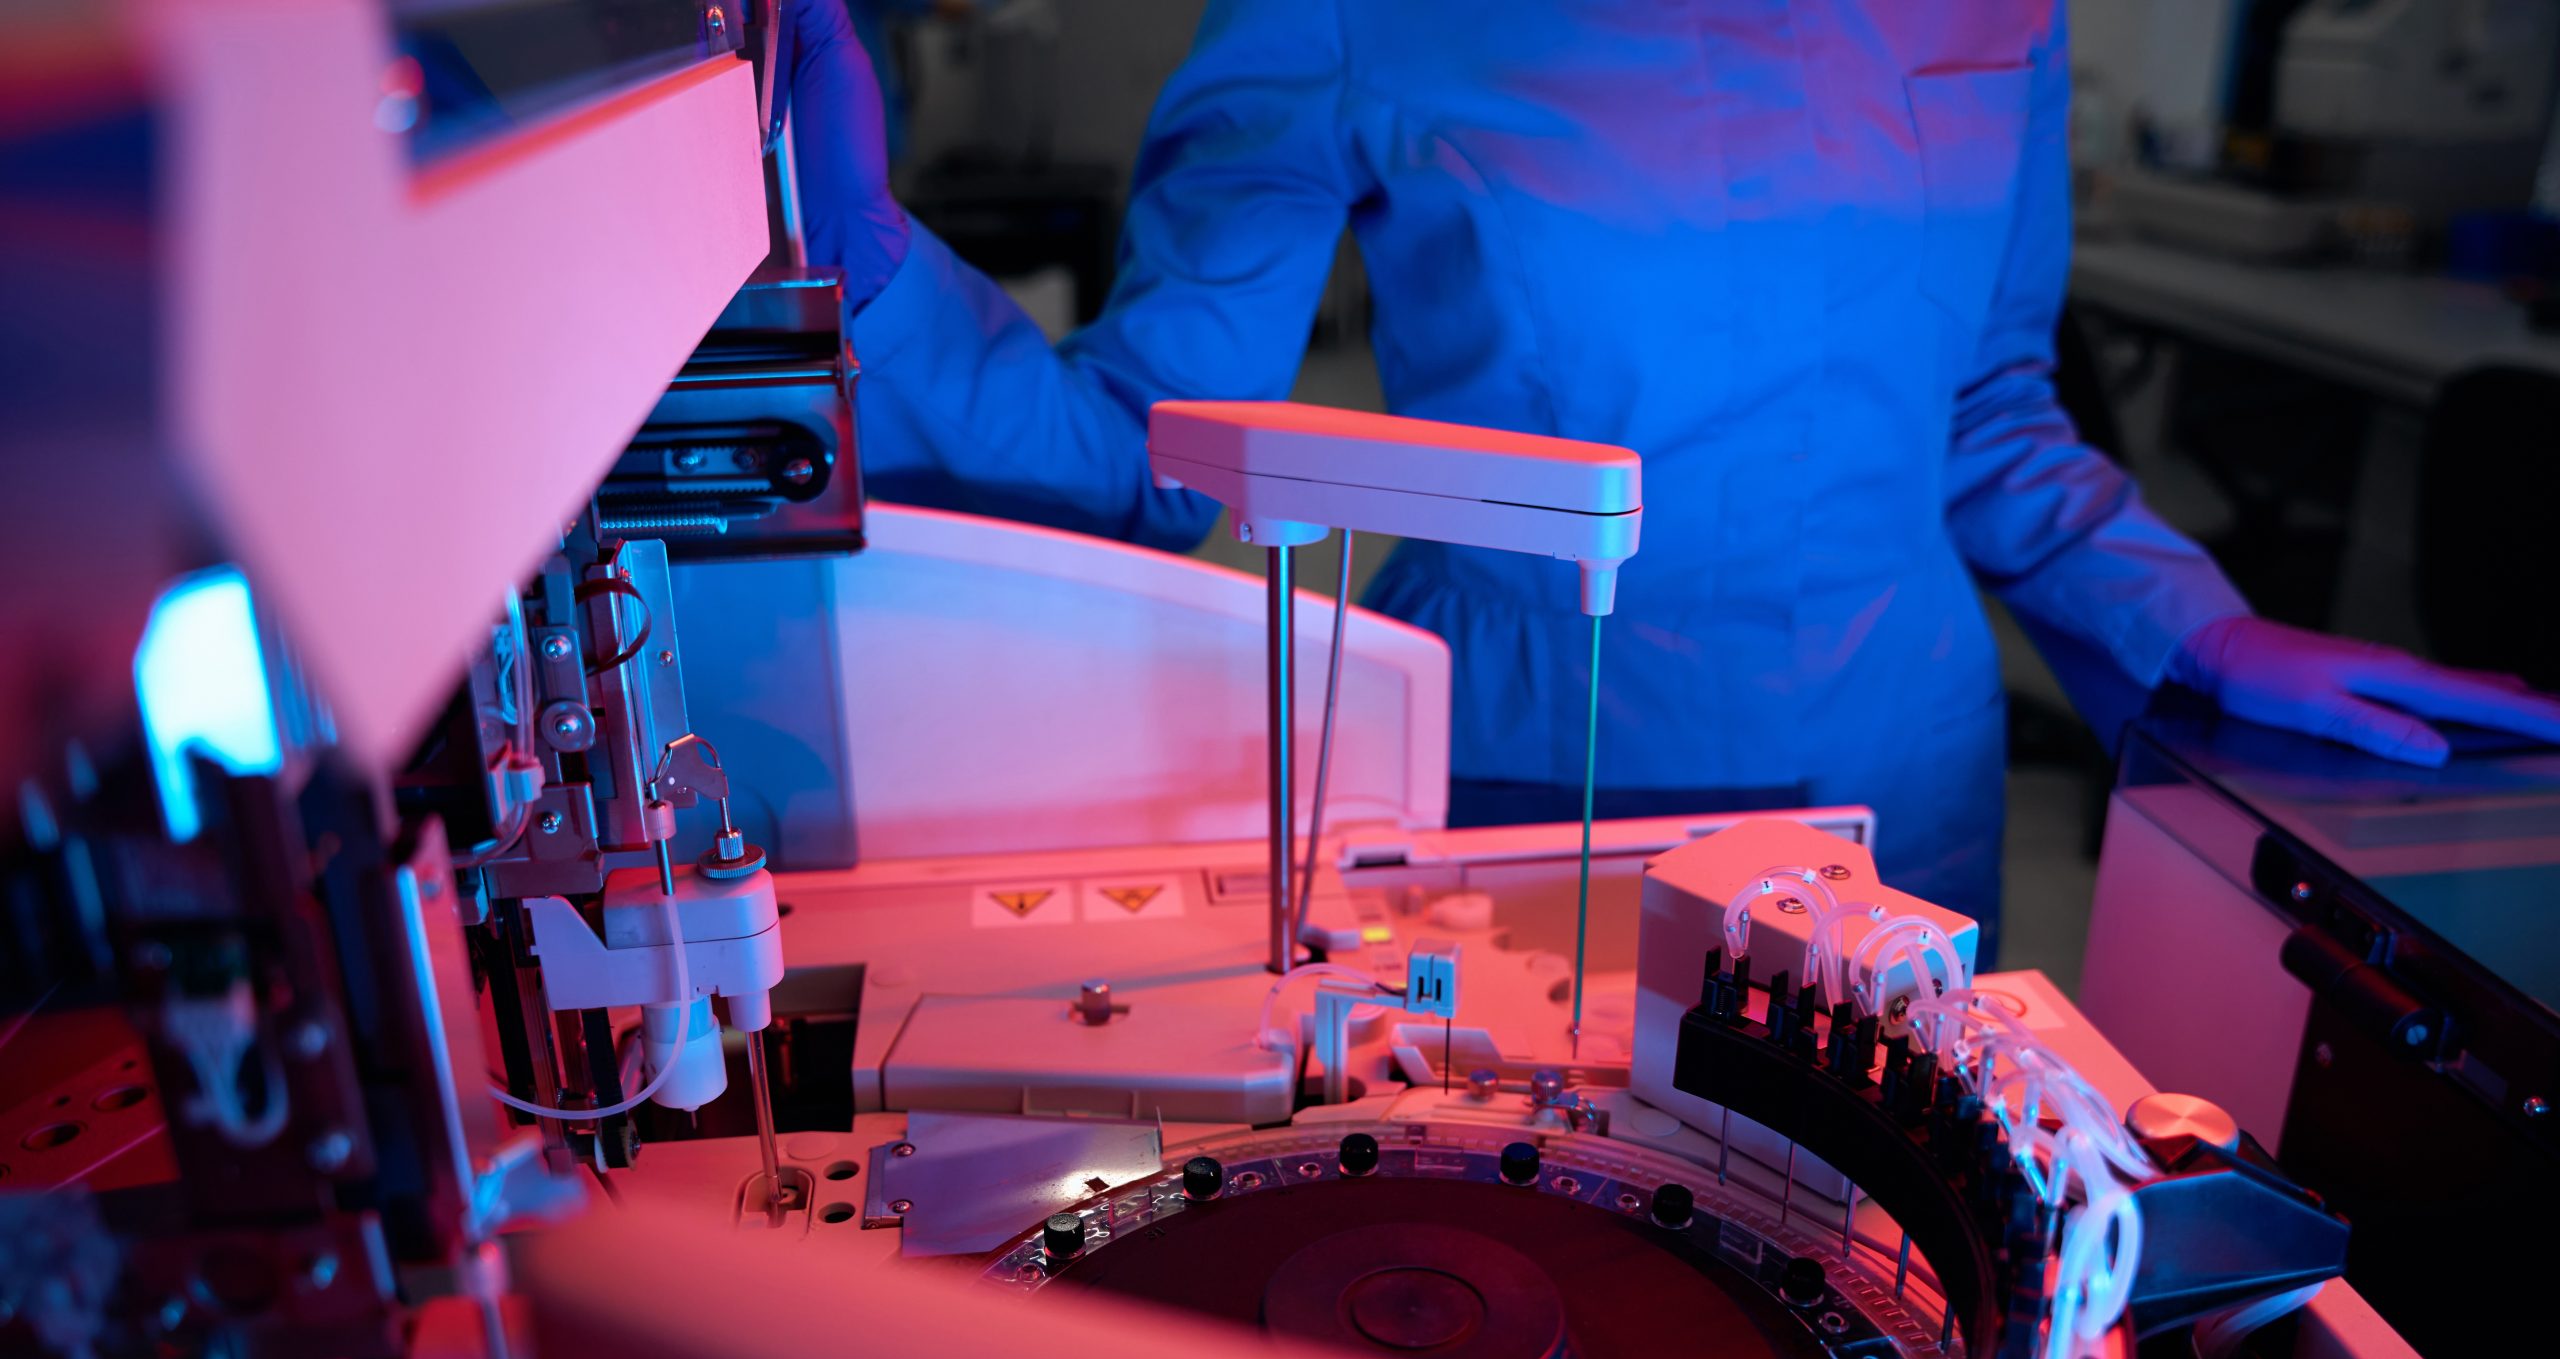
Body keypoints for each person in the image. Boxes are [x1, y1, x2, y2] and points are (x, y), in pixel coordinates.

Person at [784, 0, 2560, 953]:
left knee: (1896, 1340)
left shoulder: (1989, 6)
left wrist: (2205, 633)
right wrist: (865, 258)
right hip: (1527, 786)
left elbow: (1990, 415)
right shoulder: (1350, 15)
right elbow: (1155, 461)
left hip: (1903, 788)